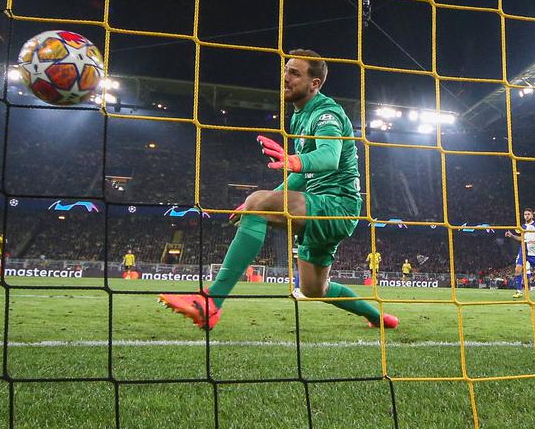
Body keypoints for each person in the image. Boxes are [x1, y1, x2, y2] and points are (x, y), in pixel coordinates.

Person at [159, 49, 397, 331]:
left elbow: (329, 157)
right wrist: (263, 201)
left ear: (315, 83)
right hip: (318, 206)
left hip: (336, 206)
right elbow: (303, 176)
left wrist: (289, 167)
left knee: (257, 201)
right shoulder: (299, 116)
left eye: (294, 73)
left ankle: (211, 301)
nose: (285, 77)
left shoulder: (326, 114)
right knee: (313, 289)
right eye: (285, 70)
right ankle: (379, 318)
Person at [506, 208, 535, 299]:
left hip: (533, 251)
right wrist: (512, 236)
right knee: (517, 269)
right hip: (523, 250)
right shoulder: (523, 227)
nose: (526, 216)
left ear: (532, 215)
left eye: (528, 214)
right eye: (525, 214)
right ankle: (519, 291)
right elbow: (521, 239)